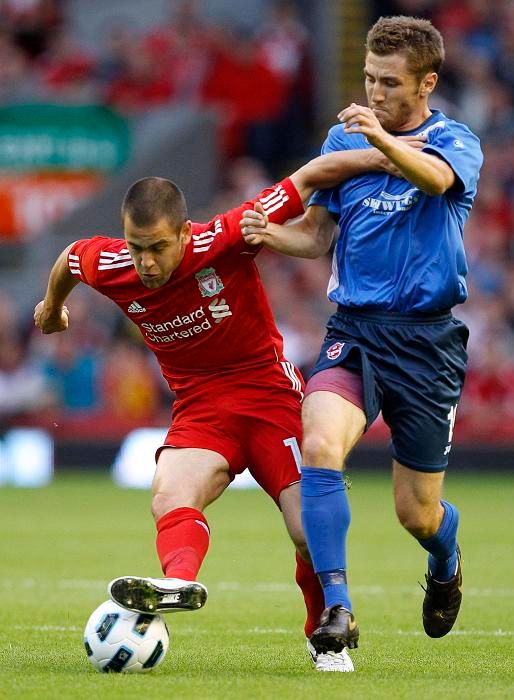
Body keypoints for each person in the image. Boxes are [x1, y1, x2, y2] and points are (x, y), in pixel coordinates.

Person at [34, 146, 407, 673]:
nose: (145, 262)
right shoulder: (112, 262)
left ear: (185, 233)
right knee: (169, 495)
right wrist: (53, 308)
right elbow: (71, 258)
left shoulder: (223, 238)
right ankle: (179, 581)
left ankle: (325, 639)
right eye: (137, 247)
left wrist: (387, 154)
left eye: (158, 247)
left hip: (270, 399)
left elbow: (310, 177)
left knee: (307, 529)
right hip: (201, 408)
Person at [240, 15, 483, 656]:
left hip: (427, 342)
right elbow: (318, 237)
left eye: (390, 82)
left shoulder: (455, 141)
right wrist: (270, 237)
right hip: (355, 330)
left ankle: (446, 556)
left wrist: (375, 142)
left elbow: (433, 181)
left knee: (417, 513)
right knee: (318, 443)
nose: (374, 93)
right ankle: (339, 608)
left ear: (426, 82)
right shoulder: (341, 141)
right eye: (369, 79)